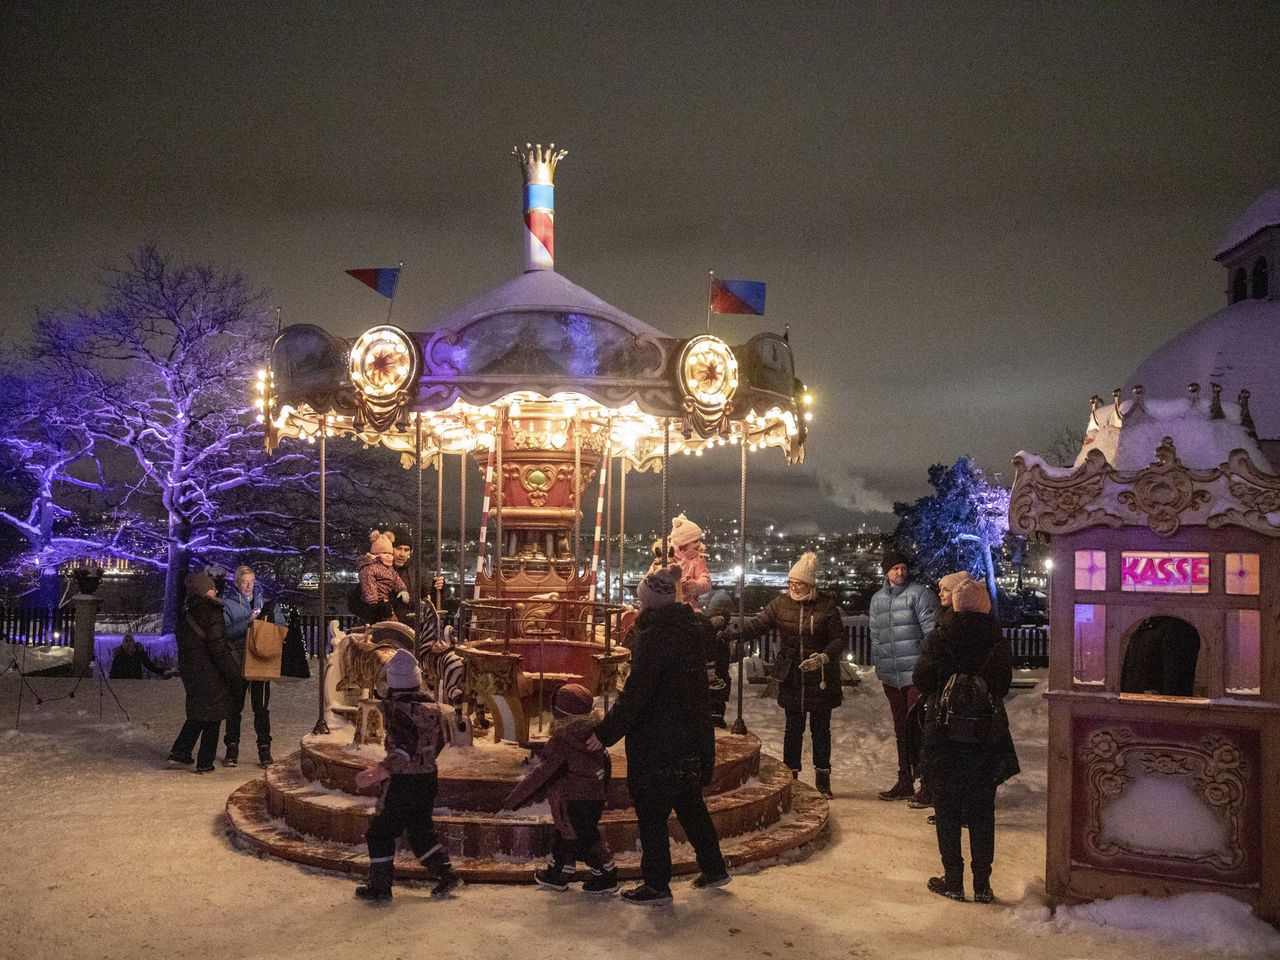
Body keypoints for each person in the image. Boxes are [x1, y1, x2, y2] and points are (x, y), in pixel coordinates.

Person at [595, 565, 729, 904]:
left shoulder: (655, 637)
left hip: (659, 739)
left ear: (650, 601)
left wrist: (605, 733)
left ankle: (656, 883)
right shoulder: (688, 630)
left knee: (652, 813)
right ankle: (714, 867)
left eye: (641, 601)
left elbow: (636, 693)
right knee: (689, 804)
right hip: (688, 736)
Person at [912, 578, 1014, 904]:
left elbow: (922, 680)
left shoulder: (941, 635)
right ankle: (982, 884)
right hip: (985, 735)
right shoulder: (996, 640)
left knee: (947, 810)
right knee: (983, 811)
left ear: (955, 604)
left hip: (944, 735)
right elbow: (1002, 685)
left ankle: (953, 879)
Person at [730, 552, 845, 798]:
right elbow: (758, 624)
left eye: (799, 583)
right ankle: (790, 774)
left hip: (820, 677)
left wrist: (824, 656)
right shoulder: (781, 604)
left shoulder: (826, 607)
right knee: (792, 728)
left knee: (820, 729)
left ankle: (823, 778)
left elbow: (838, 639)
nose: (793, 587)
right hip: (792, 675)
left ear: (810, 584)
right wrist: (734, 633)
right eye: (791, 583)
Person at [353, 648, 460, 902]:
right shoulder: (433, 709)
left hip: (402, 782)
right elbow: (442, 741)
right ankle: (446, 874)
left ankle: (380, 886)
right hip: (427, 778)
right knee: (420, 830)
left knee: (380, 832)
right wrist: (424, 760)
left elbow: (402, 750)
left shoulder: (400, 712)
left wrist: (379, 771)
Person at [502, 683, 619, 895]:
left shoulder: (561, 742)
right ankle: (559, 872)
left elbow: (541, 776)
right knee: (566, 835)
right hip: (593, 798)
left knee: (584, 840)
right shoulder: (594, 736)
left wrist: (514, 800)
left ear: (559, 713)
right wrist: (602, 792)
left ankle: (606, 875)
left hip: (571, 800)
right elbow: (606, 765)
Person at [869, 550, 940, 802]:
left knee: (920, 728)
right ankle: (905, 779)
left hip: (915, 675)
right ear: (886, 572)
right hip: (891, 675)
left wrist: (925, 667)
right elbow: (875, 635)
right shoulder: (877, 600)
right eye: (894, 568)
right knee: (901, 730)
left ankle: (928, 783)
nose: (900, 572)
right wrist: (880, 666)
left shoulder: (920, 595)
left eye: (903, 567)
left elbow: (932, 634)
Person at [908, 570, 974, 812]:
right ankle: (945, 795)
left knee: (939, 746)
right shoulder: (949, 621)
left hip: (943, 696)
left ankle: (941, 797)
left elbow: (929, 664)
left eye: (946, 589)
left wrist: (927, 685)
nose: (940, 593)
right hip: (948, 695)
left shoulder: (947, 627)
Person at [168, 572, 240, 774]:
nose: (215, 590)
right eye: (211, 587)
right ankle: (205, 762)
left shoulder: (186, 614)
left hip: (192, 672)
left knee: (199, 713)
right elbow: (219, 648)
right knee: (213, 717)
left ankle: (180, 752)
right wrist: (234, 673)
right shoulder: (212, 612)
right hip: (211, 673)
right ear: (203, 590)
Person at [221, 565, 286, 768]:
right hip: (238, 662)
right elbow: (225, 633)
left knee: (261, 709)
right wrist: (248, 623)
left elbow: (282, 628)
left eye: (251, 581)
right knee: (234, 708)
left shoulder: (265, 602)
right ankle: (232, 748)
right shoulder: (227, 604)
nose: (248, 585)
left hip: (260, 661)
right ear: (237, 583)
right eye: (244, 582)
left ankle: (264, 749)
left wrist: (270, 626)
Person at [648, 514, 711, 612]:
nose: (698, 544)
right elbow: (652, 579)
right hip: (665, 608)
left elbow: (706, 579)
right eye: (695, 541)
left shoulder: (697, 559)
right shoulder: (664, 559)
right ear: (683, 543)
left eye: (699, 540)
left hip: (689, 607)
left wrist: (697, 586)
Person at [357, 530, 409, 624]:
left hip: (387, 603)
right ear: (376, 555)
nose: (389, 556)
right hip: (377, 601)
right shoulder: (369, 567)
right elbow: (369, 584)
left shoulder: (389, 568)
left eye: (390, 554)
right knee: (380, 624)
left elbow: (396, 579)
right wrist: (373, 602)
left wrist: (402, 590)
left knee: (392, 623)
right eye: (385, 553)